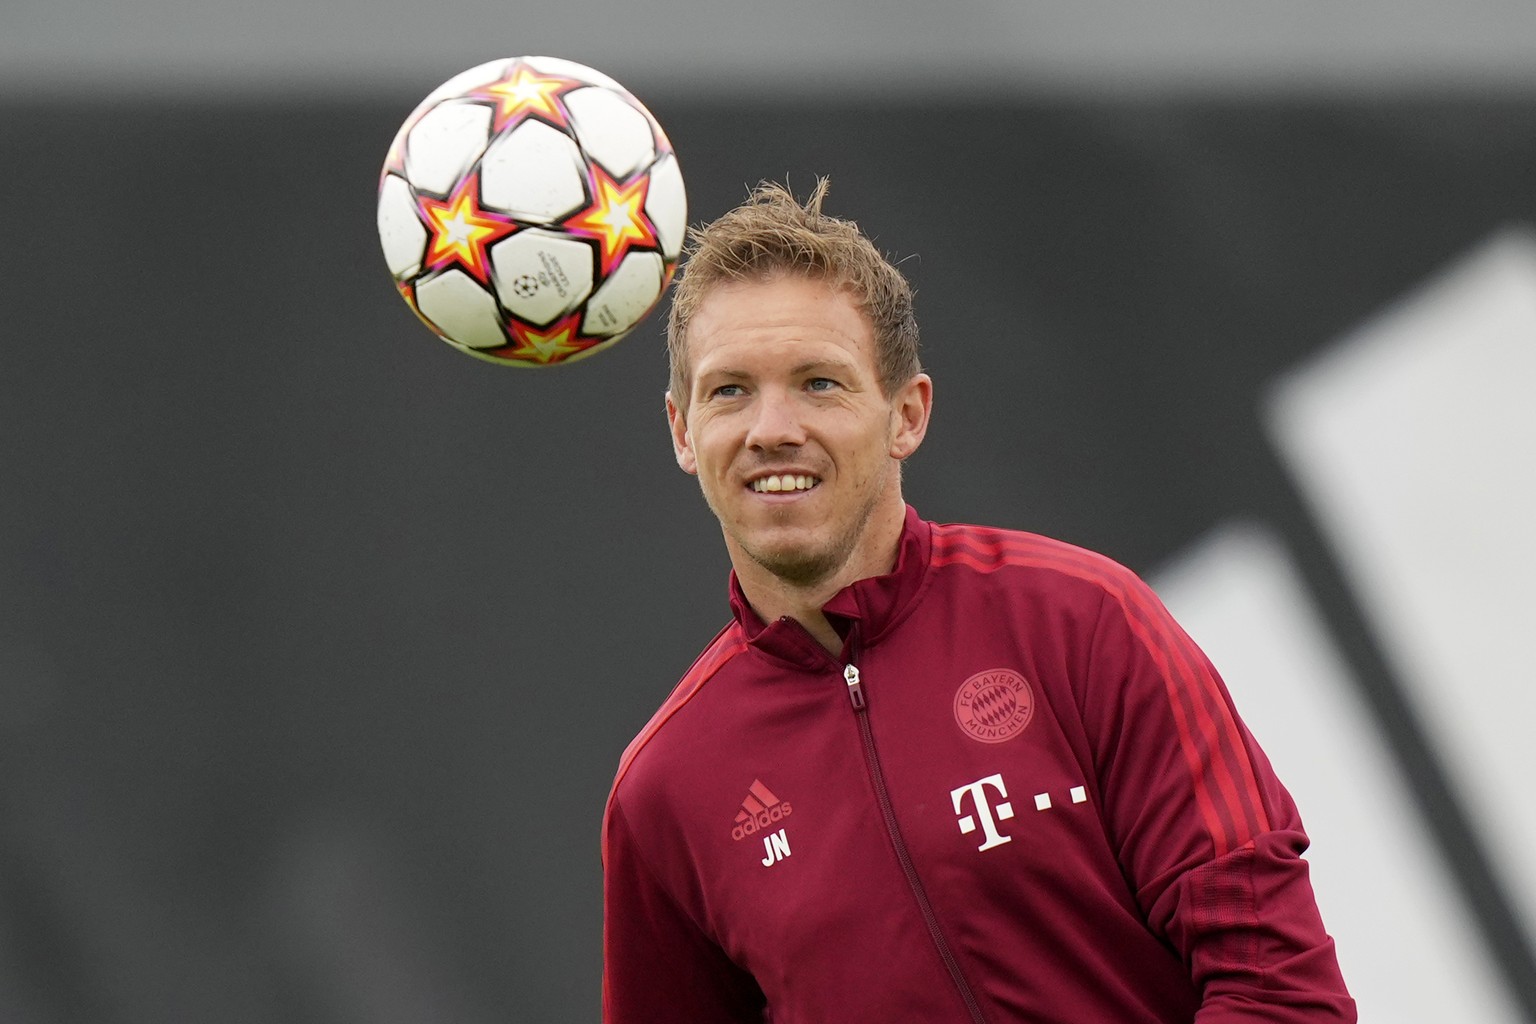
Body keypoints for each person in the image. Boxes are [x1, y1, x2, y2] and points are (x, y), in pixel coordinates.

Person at [602, 179, 1355, 1023]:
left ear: (907, 415)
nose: (771, 427)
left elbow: (1279, 990)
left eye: (819, 383)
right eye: (730, 390)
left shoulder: (1083, 623)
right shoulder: (664, 789)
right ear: (681, 430)